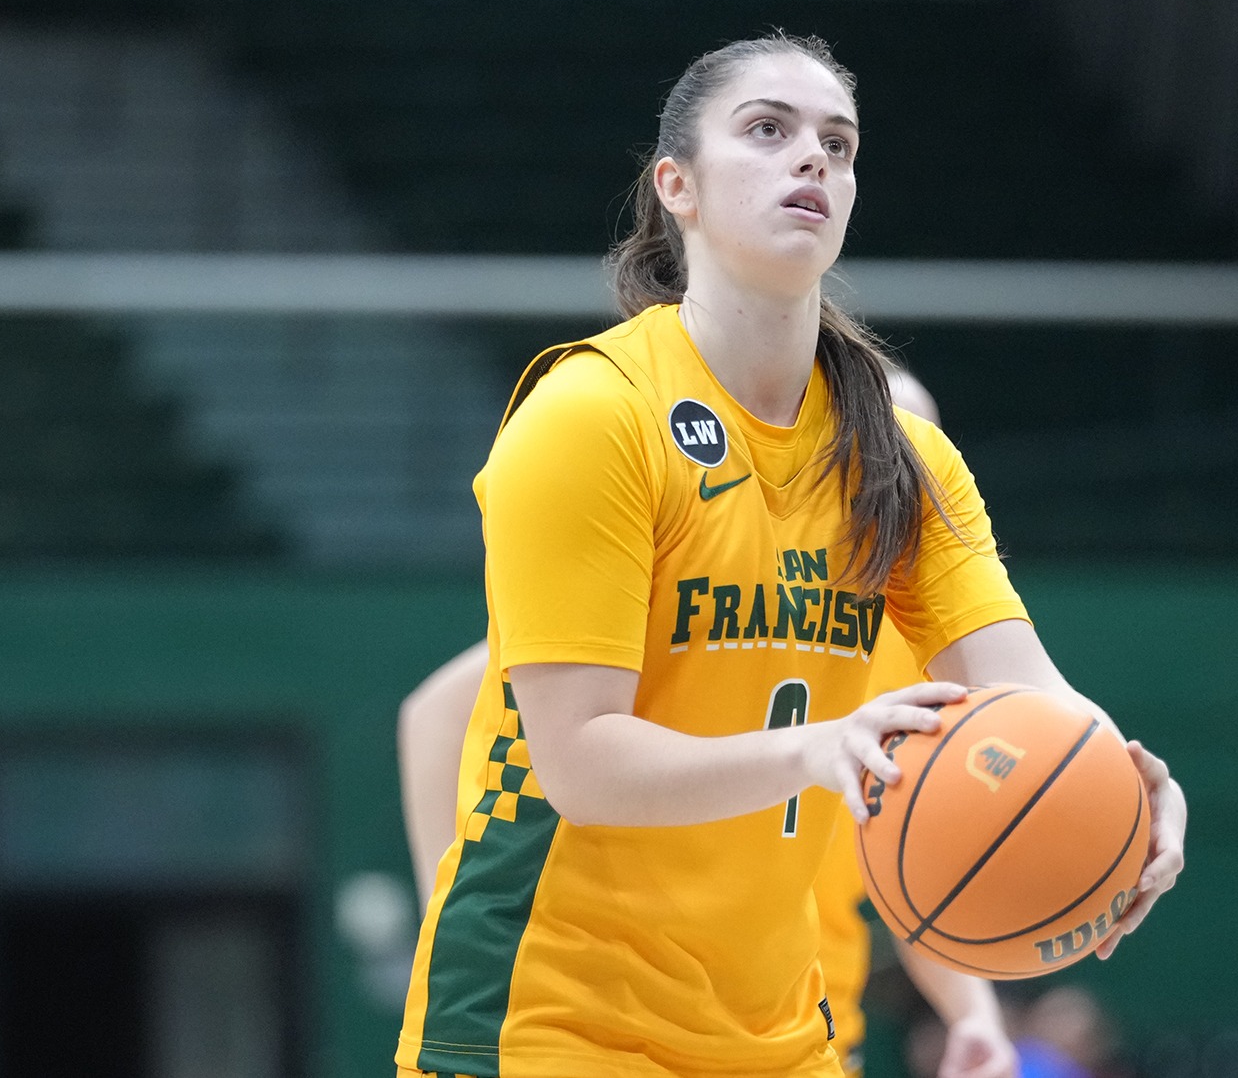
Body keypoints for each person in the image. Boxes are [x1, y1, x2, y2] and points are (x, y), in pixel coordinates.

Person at [394, 31, 1187, 1078]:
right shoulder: (590, 414)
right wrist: (815, 750)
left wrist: (1129, 786)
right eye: (767, 131)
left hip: (775, 1032)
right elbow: (578, 762)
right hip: (546, 1019)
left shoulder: (904, 461)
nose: (810, 158)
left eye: (836, 143)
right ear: (674, 184)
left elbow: (1030, 697)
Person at [397, 367, 1022, 1076]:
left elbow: (917, 865)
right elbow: (437, 711)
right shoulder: (693, 584)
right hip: (601, 1005)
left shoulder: (926, 652)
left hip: (798, 1022)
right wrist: (443, 916)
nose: (880, 481)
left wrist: (972, 1011)